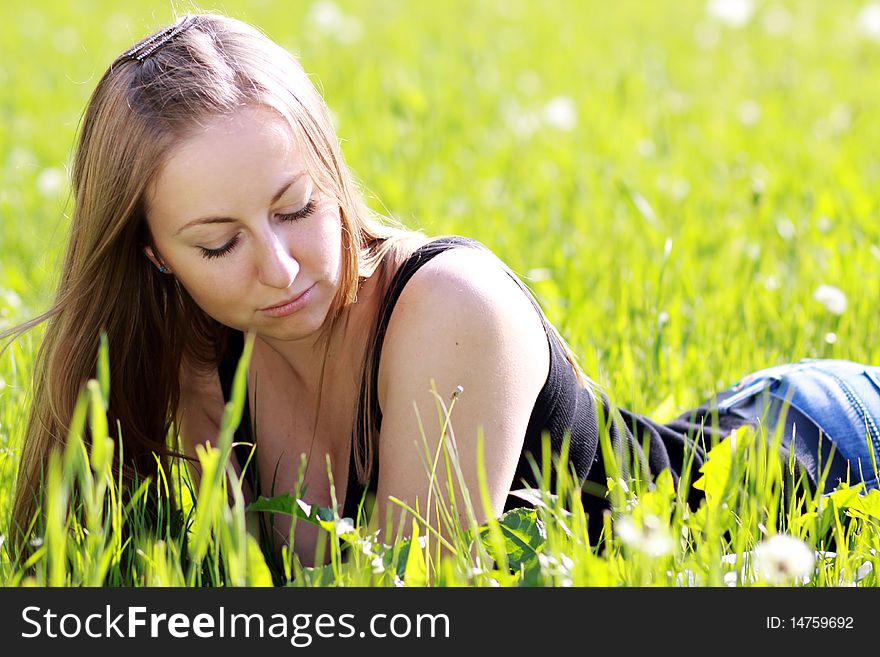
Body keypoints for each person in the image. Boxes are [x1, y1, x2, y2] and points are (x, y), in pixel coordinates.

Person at [3, 14, 879, 568]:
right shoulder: (190, 368)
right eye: (219, 243)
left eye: (298, 207)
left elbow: (411, 605)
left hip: (828, 454)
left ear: (334, 171)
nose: (279, 267)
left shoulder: (452, 307)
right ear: (154, 254)